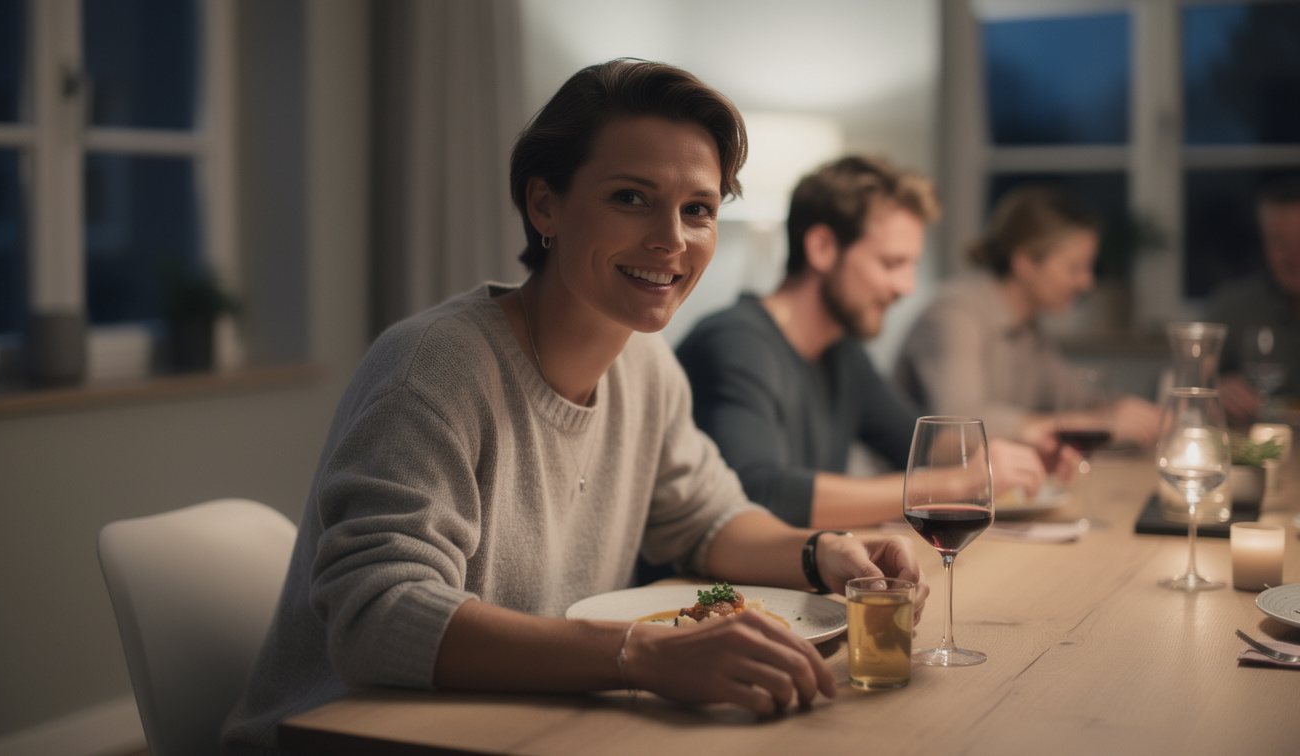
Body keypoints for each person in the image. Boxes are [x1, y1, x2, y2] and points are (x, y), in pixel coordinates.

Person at [221, 60, 925, 755]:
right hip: (352, 736)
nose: (672, 239)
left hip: (516, 725)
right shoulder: (433, 369)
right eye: (631, 197)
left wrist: (826, 553)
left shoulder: (647, 367)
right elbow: (376, 619)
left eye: (698, 209)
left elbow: (708, 520)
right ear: (544, 205)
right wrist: (640, 654)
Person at [675, 156, 1056, 529]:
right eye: (891, 264)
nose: (907, 287)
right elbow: (758, 493)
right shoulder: (735, 344)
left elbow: (919, 444)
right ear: (822, 247)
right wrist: (958, 483)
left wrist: (1026, 448)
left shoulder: (841, 353)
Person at [894, 184, 1161, 452]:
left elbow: (1076, 398)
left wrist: (1126, 411)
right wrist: (1091, 422)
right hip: (912, 487)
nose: (1087, 282)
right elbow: (958, 422)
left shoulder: (1028, 330)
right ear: (1024, 263)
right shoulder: (954, 314)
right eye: (1074, 268)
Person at [1208, 174, 1300, 425]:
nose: (1294, 255)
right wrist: (1214, 392)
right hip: (1258, 454)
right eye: (1280, 242)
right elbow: (1172, 383)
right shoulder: (1235, 307)